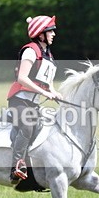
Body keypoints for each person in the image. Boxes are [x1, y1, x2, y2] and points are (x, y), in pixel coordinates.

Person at [6, 15, 63, 182]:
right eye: (50, 31)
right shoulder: (31, 51)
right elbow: (22, 78)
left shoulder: (48, 55)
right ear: (40, 34)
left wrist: (54, 92)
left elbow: (48, 82)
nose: (54, 34)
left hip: (34, 102)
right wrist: (44, 93)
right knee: (28, 125)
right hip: (19, 100)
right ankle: (16, 165)